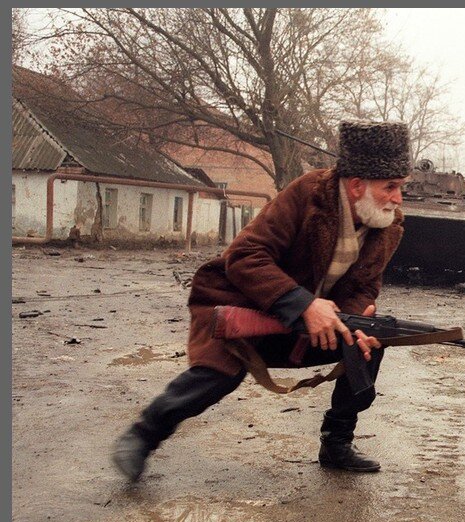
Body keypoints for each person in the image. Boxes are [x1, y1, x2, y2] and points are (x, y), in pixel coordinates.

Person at [112, 120, 412, 482]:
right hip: (242, 305)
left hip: (307, 323)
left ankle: (336, 444)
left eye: (401, 188)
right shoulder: (308, 195)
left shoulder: (387, 224)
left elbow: (364, 285)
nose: (398, 199)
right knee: (215, 376)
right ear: (357, 185)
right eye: (391, 187)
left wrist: (352, 320)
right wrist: (303, 304)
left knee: (369, 344)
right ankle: (142, 436)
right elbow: (245, 256)